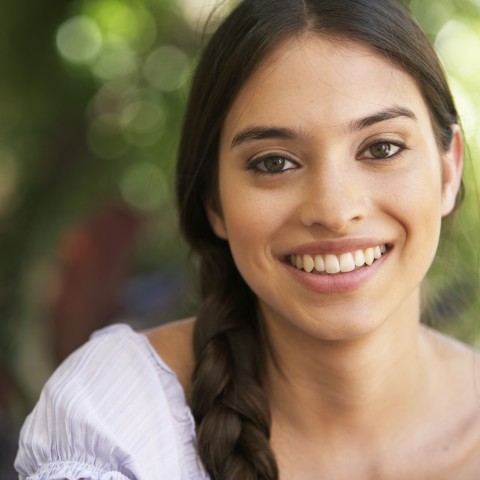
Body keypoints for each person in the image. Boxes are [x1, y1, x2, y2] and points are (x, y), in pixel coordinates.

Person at [15, 0, 480, 478]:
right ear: (213, 201)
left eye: (382, 148)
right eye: (274, 162)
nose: (336, 212)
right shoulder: (119, 421)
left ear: (449, 171)